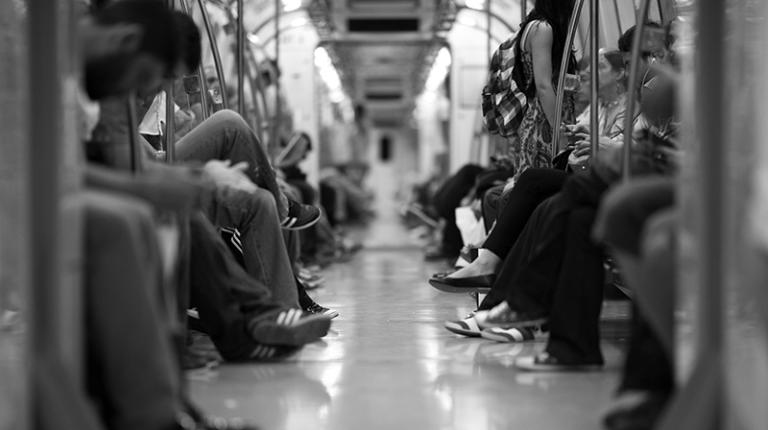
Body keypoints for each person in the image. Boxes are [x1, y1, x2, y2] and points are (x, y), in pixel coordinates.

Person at [432, 49, 633, 291]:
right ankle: (491, 273)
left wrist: (599, 145)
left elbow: (625, 151)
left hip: (608, 178)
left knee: (528, 189)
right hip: (589, 171)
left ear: (621, 73)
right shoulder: (597, 108)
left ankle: (491, 270)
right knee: (498, 187)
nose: (587, 78)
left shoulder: (629, 108)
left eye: (600, 69)